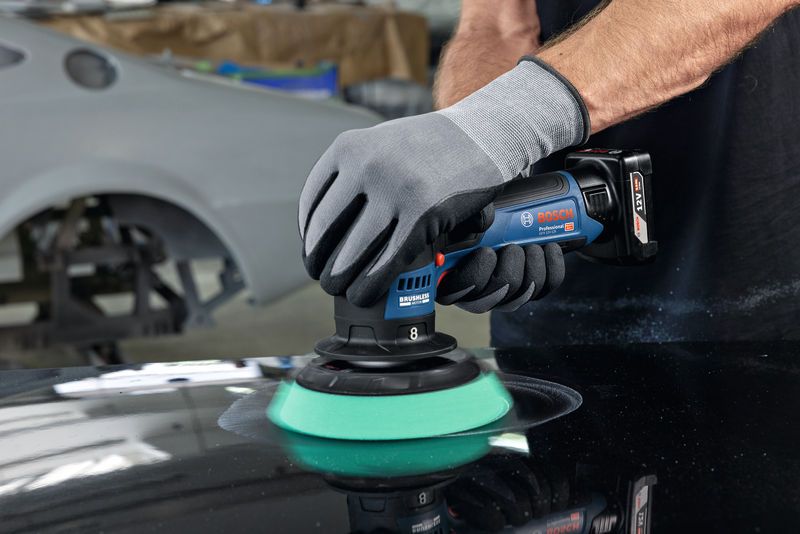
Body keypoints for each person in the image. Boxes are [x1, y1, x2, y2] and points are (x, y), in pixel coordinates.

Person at [298, 0, 800, 346]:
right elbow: (495, 24)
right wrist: (477, 181)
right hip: (552, 283)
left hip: (752, 275)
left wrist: (499, 125)